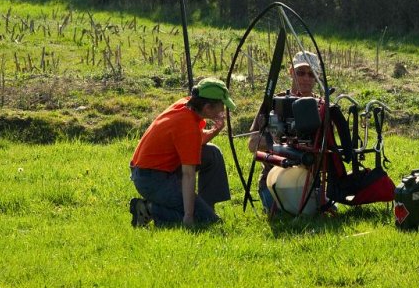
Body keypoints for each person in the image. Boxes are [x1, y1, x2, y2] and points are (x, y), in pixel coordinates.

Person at [129, 77, 236, 228]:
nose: (223, 110)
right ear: (207, 108)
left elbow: (193, 142)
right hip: (151, 180)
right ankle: (149, 209)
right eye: (221, 106)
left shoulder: (186, 104)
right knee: (207, 222)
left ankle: (206, 206)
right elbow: (188, 174)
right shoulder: (187, 126)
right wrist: (188, 216)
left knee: (212, 153)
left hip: (157, 172)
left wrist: (215, 130)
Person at [248, 51, 322, 212]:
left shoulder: (322, 106)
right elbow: (252, 144)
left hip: (311, 181)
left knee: (318, 211)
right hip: (275, 180)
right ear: (291, 72)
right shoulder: (274, 103)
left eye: (311, 74)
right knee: (288, 213)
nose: (306, 78)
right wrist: (278, 142)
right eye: (300, 73)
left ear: (317, 78)